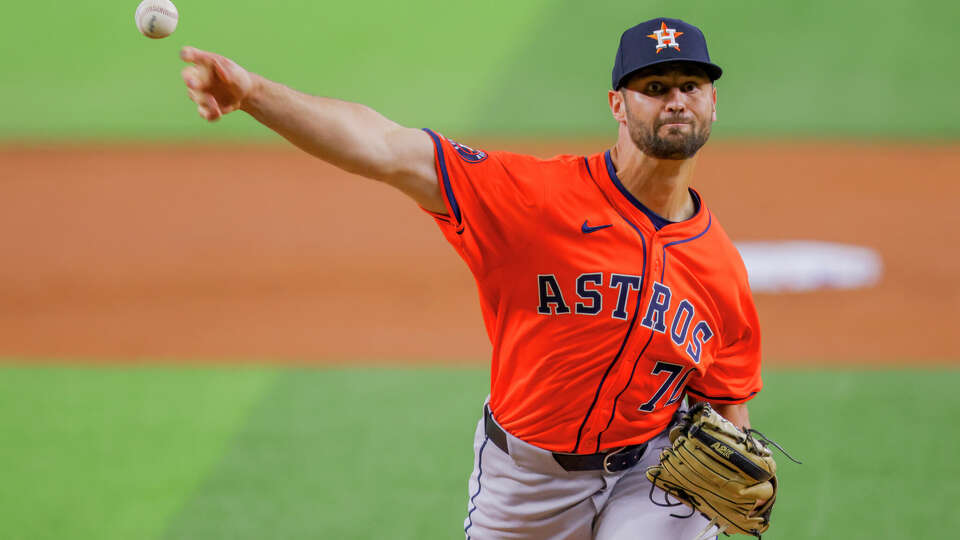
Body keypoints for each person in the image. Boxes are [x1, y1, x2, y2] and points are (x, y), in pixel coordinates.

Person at [180, 17, 762, 540]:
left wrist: (736, 464)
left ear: (713, 103)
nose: (676, 101)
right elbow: (385, 148)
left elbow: (727, 404)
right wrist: (254, 94)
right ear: (617, 104)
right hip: (529, 479)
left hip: (652, 475)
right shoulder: (535, 198)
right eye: (655, 88)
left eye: (691, 86)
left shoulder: (721, 267)